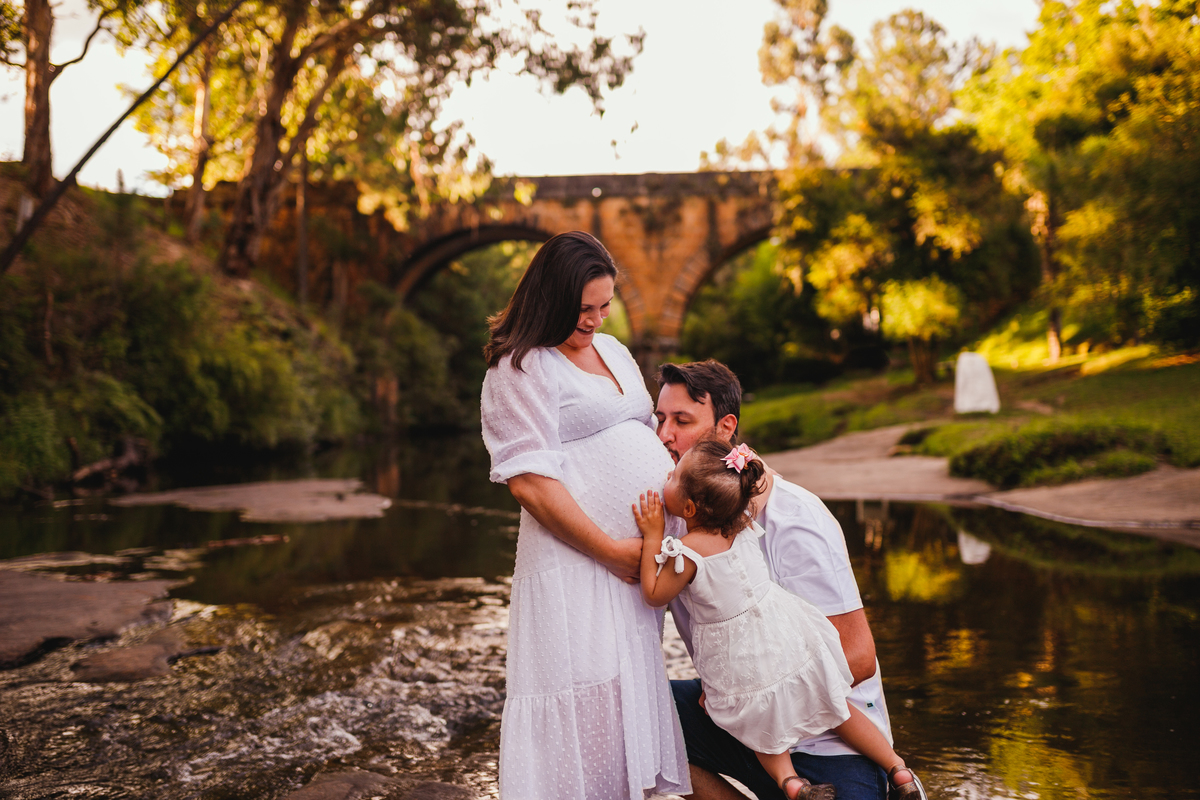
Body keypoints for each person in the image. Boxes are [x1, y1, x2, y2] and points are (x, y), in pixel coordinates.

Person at [480, 231, 690, 800]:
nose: (596, 320)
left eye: (604, 306)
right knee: (584, 688)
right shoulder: (519, 367)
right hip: (577, 561)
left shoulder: (616, 352)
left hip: (631, 563)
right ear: (549, 300)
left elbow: (646, 431)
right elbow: (529, 482)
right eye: (583, 310)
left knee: (626, 687)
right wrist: (610, 549)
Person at [655, 360, 902, 800]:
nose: (664, 435)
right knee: (626, 708)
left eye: (681, 421)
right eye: (659, 420)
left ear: (725, 428)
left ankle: (892, 774)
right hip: (741, 713)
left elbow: (859, 657)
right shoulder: (681, 518)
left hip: (828, 742)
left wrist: (746, 693)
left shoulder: (795, 519)